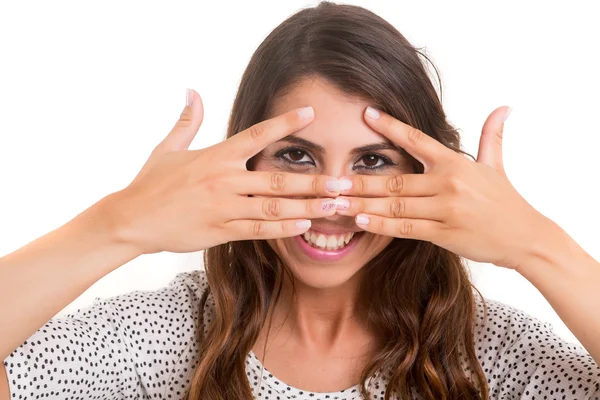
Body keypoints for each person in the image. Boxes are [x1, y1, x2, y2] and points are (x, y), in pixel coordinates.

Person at [1, 1, 599, 399]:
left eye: (371, 161)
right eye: (296, 156)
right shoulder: (171, 333)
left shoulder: (480, 350)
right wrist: (118, 224)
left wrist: (537, 247)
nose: (331, 202)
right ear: (247, 159)